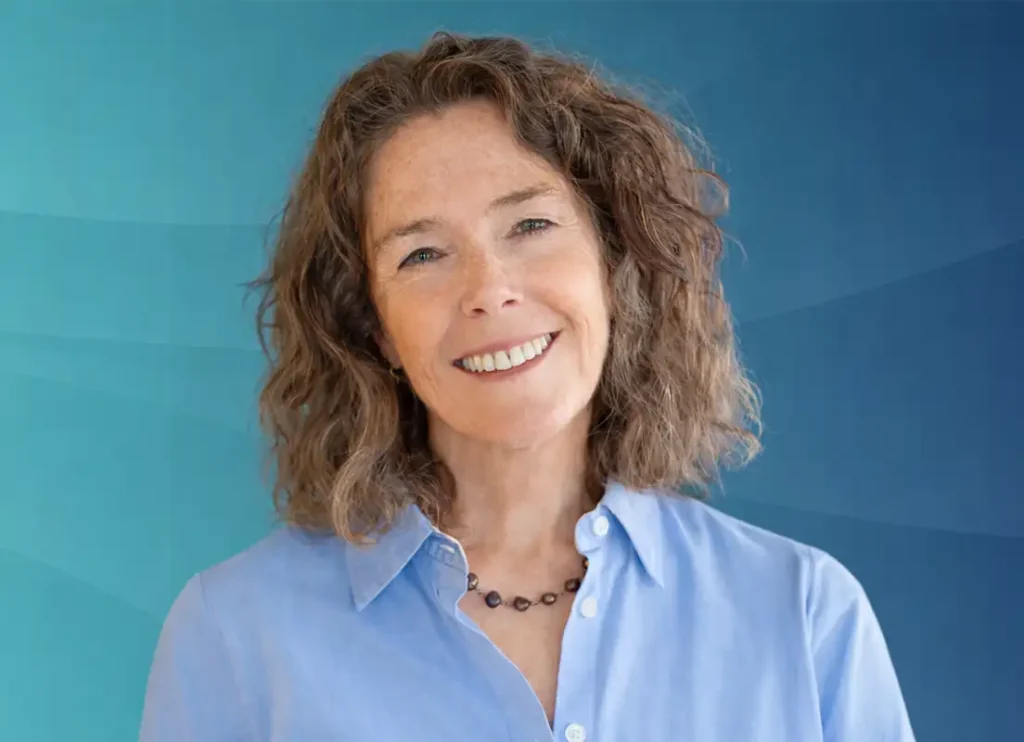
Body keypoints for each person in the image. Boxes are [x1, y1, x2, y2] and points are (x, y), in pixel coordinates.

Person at [139, 32, 915, 742]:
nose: (489, 290)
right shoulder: (235, 636)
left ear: (614, 264)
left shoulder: (803, 613)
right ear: (375, 328)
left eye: (530, 227)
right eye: (422, 255)